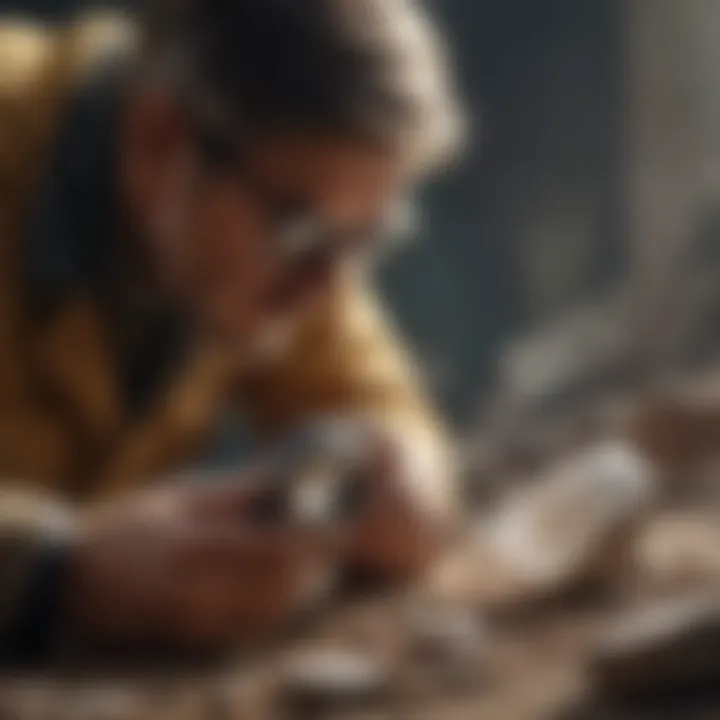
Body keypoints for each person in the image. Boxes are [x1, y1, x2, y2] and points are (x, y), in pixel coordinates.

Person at [0, 0, 465, 661]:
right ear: (156, 139)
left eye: (366, 243)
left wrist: (402, 476)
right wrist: (53, 572)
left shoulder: (263, 212)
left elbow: (372, 407)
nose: (328, 289)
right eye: (303, 236)